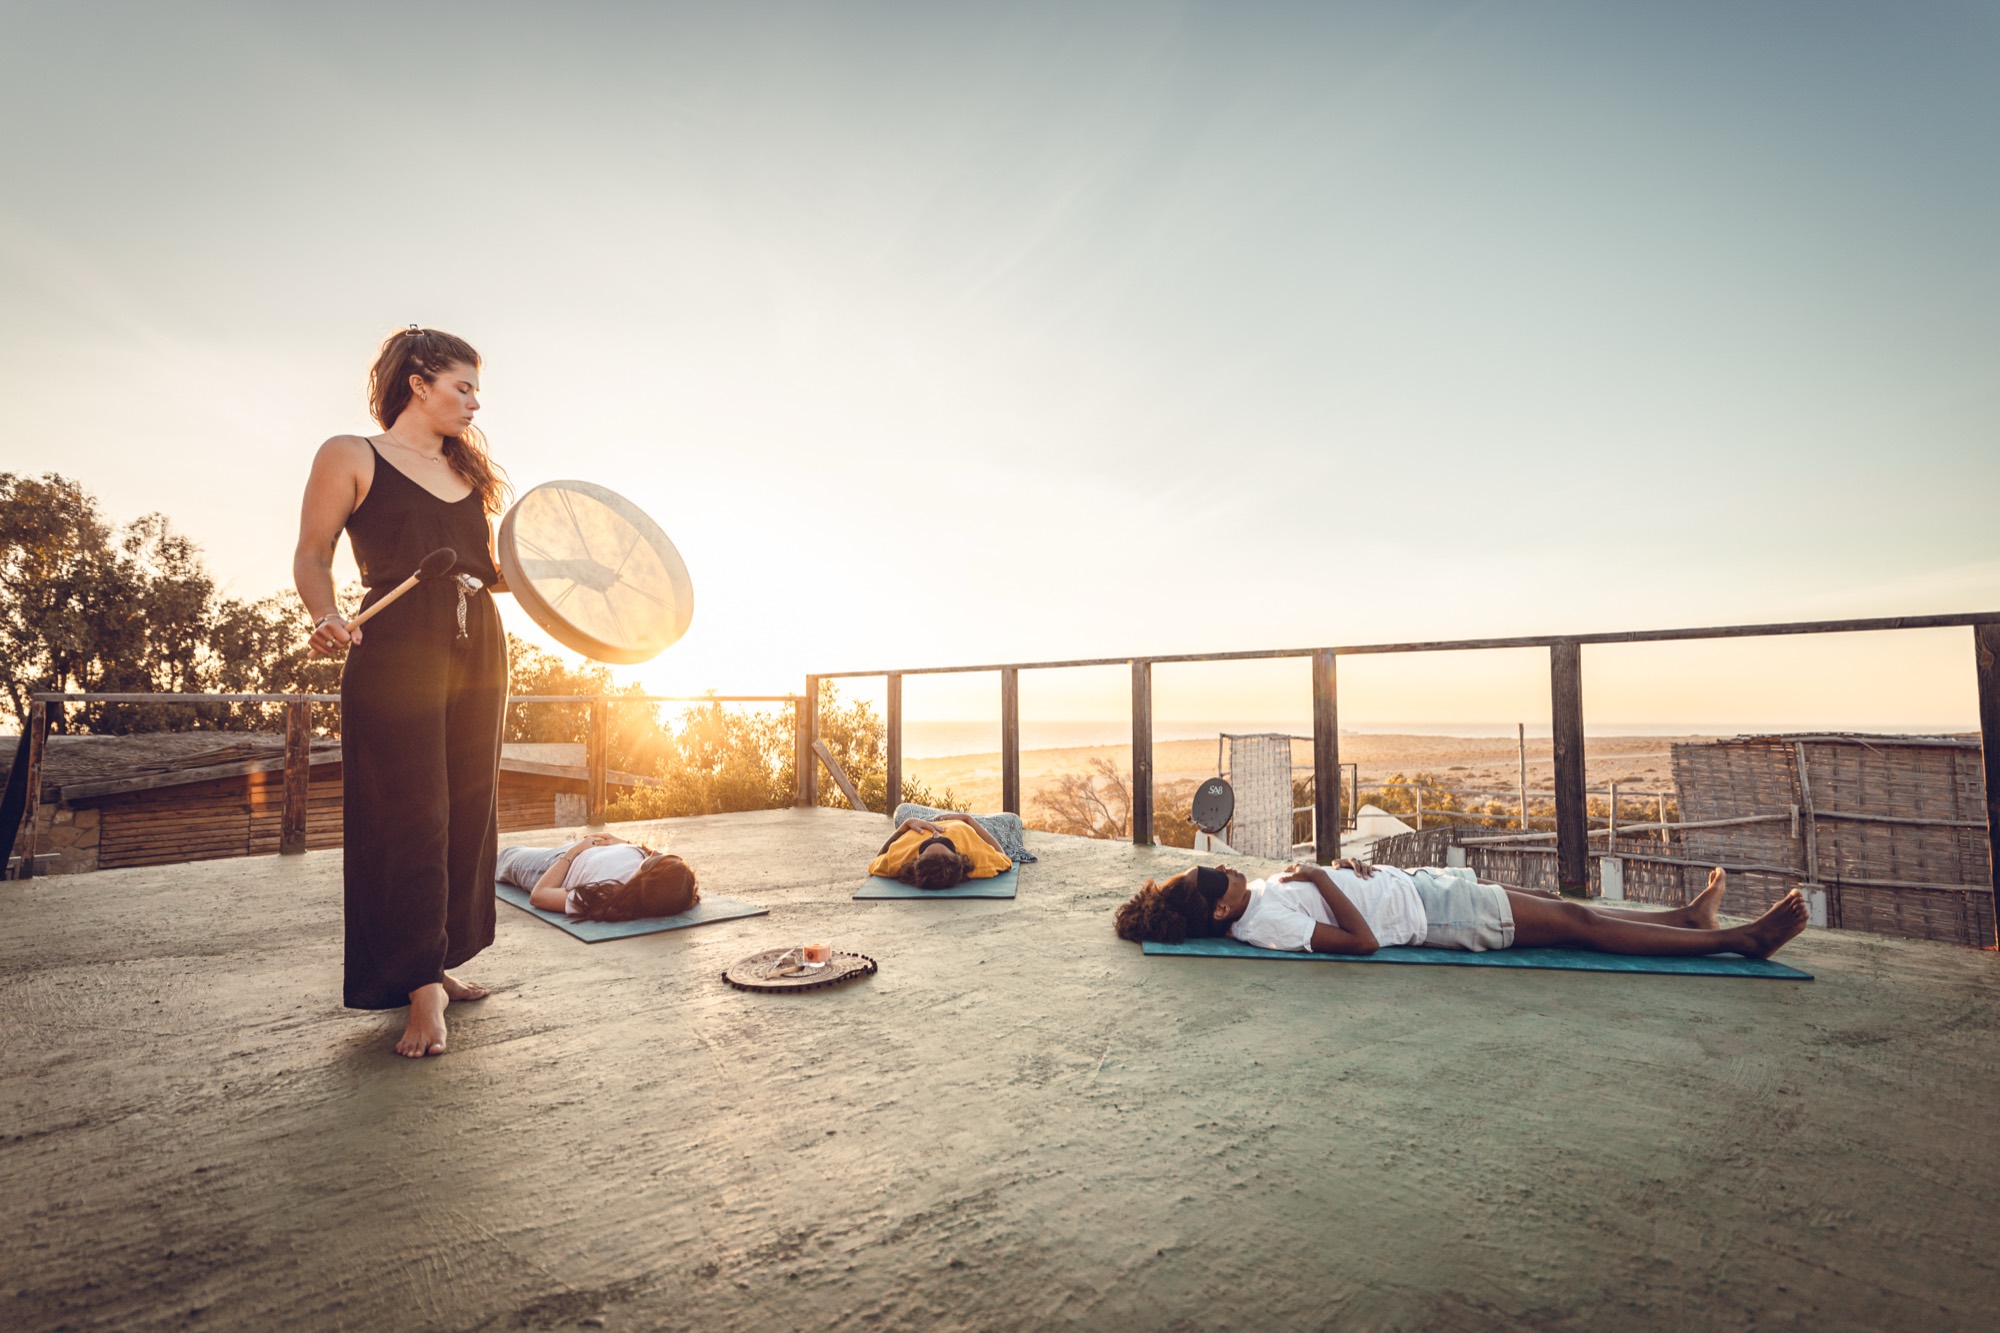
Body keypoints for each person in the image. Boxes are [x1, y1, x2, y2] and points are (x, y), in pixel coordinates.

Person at [294, 326, 511, 1058]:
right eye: (463, 386)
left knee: (467, 805)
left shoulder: (469, 473)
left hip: (478, 640)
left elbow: (496, 568)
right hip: (396, 646)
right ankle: (418, 988)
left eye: (478, 389)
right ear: (418, 382)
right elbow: (312, 553)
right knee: (409, 811)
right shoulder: (352, 454)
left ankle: (439, 957)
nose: (476, 402)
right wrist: (325, 615)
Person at [1115, 861, 1809, 961]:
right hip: (1438, 916)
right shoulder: (1261, 924)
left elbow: (1339, 897)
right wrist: (1327, 875)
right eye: (1219, 878)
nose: (1230, 871)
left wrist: (1345, 872)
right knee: (1585, 929)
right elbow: (1361, 943)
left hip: (1425, 886)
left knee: (1572, 909)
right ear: (1218, 912)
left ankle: (1690, 918)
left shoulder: (1251, 901)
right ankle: (1743, 941)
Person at [497, 833, 700, 921]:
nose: (654, 855)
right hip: (583, 850)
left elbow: (539, 895)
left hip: (554, 866)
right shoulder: (663, 883)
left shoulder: (605, 896)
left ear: (647, 875)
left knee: (505, 856)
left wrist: (574, 852)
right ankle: (569, 841)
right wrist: (619, 841)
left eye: (654, 860)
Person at [869, 811, 1013, 890]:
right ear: (959, 856)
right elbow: (1003, 856)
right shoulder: (979, 862)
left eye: (926, 844)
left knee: (901, 809)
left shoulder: (899, 863)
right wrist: (968, 819)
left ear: (915, 861)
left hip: (920, 819)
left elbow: (877, 859)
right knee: (1010, 819)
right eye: (946, 842)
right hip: (962, 820)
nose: (936, 834)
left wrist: (906, 825)